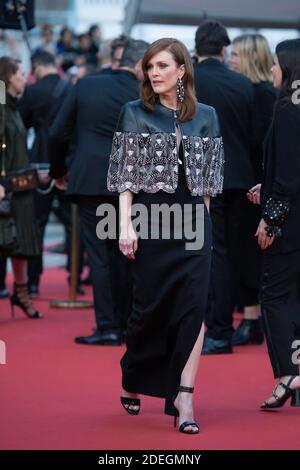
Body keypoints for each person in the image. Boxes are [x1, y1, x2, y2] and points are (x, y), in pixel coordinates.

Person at [107, 38, 224, 433]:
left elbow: (208, 184)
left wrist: (204, 231)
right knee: (147, 312)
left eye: (161, 66)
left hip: (193, 224)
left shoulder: (206, 116)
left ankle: (184, 398)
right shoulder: (135, 112)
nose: (153, 73)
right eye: (150, 67)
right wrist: (125, 224)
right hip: (152, 221)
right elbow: (125, 175)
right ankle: (133, 372)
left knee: (193, 308)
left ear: (181, 71)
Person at [49, 40, 149, 346]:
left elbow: (56, 133)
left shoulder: (86, 85)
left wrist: (58, 172)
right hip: (135, 182)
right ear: (139, 66)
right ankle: (128, 324)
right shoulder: (146, 93)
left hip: (91, 180)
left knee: (101, 257)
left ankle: (107, 327)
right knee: (129, 254)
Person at [193, 20, 255, 354]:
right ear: (223, 49)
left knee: (212, 254)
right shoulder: (243, 84)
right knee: (233, 252)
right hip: (241, 177)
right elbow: (249, 133)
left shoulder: (189, 83)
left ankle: (218, 329)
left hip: (204, 178)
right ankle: (232, 322)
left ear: (196, 49)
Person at [248, 39, 300, 408]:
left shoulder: (287, 110)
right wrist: (265, 188)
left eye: (276, 64)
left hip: (290, 222)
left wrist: (270, 218)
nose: (272, 71)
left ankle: (288, 372)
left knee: (274, 294)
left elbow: (288, 178)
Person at [229, 34, 277, 346]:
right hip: (256, 181)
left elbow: (262, 142)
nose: (230, 59)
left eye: (235, 55)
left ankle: (252, 318)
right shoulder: (258, 92)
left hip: (258, 184)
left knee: (250, 251)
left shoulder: (261, 94)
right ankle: (251, 316)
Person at [18, 51, 71, 297]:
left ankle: (33, 281)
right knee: (73, 223)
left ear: (37, 67)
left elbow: (21, 124)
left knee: (36, 224)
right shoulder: (70, 88)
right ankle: (75, 277)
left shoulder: (32, 91)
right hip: (69, 163)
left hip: (40, 161)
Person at [0, 57, 42, 318]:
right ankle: (20, 293)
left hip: (19, 186)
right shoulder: (2, 106)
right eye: (20, 73)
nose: (25, 78)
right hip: (7, 187)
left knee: (21, 242)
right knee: (6, 240)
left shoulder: (12, 106)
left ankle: (22, 292)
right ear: (7, 77)